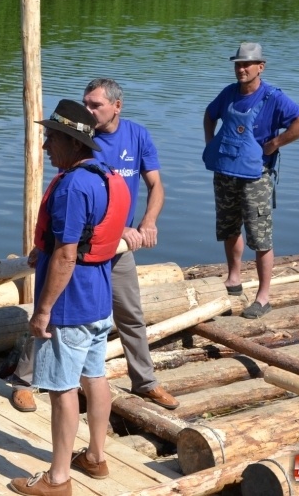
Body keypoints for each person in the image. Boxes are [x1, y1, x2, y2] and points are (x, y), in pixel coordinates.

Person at [10, 78, 179, 413]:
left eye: (95, 105)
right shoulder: (79, 140)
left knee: (130, 314)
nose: (88, 111)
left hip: (118, 248)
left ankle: (145, 382)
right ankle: (24, 381)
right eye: (85, 104)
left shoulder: (137, 135)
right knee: (50, 311)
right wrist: (46, 245)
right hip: (80, 249)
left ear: (117, 105)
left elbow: (156, 185)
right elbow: (69, 202)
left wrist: (147, 222)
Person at [9, 99, 129, 496]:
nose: (45, 146)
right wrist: (40, 250)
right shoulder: (104, 176)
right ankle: (96, 457)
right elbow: (83, 239)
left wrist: (42, 310)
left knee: (62, 390)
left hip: (69, 305)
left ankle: (57, 479)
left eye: (51, 138)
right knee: (95, 377)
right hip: (98, 299)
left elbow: (66, 254)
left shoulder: (72, 186)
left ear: (73, 143)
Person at [202, 43, 299, 319]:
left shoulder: (273, 97)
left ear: (260, 67)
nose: (241, 69)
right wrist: (211, 144)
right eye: (238, 64)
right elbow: (209, 114)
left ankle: (263, 297)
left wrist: (276, 142)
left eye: (247, 65)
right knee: (228, 227)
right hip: (225, 171)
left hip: (257, 176)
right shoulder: (228, 93)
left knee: (260, 236)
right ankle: (234, 279)